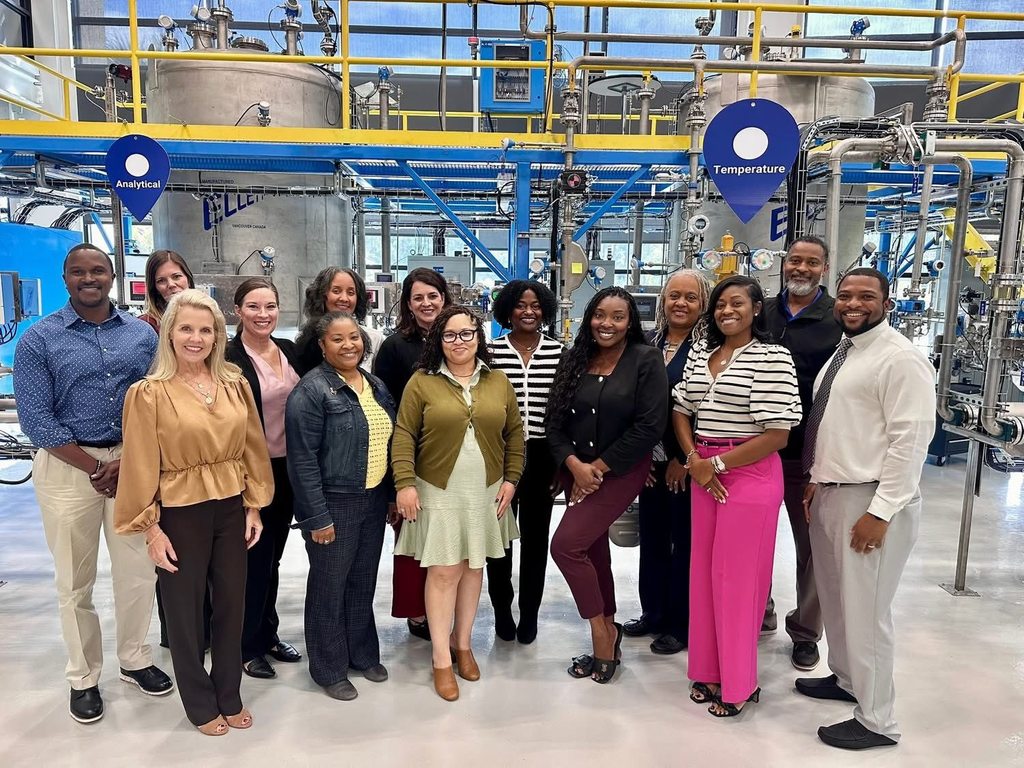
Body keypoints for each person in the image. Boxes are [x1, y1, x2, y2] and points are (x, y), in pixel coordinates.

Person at [13, 243, 173, 724]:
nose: (89, 278)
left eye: (98, 270)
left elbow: (157, 402)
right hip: (66, 468)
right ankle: (83, 676)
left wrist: (128, 460)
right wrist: (93, 465)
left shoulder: (141, 338)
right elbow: (35, 419)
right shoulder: (38, 339)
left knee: (138, 572)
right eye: (79, 271)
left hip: (132, 464)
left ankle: (134, 659)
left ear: (112, 277)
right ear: (65, 279)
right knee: (74, 581)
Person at [115, 289, 274, 736]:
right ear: (169, 333)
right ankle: (200, 703)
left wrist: (254, 506)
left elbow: (252, 448)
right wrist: (150, 529)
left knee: (231, 605)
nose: (196, 338)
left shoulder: (234, 383)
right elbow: (140, 464)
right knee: (184, 614)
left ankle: (230, 693)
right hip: (179, 513)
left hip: (230, 506)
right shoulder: (148, 394)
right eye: (186, 328)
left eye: (206, 330)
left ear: (218, 335)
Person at [798, 268, 935, 750]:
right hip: (835, 490)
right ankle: (848, 679)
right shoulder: (848, 351)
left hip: (872, 497)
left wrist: (881, 511)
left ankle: (878, 721)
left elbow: (910, 442)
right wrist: (816, 479)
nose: (853, 304)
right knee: (837, 598)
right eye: (846, 296)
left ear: (887, 302)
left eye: (866, 297)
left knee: (866, 611)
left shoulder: (901, 359)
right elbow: (837, 425)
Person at [672, 275, 801, 717]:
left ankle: (740, 684)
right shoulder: (702, 356)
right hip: (704, 471)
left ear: (756, 308)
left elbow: (779, 434)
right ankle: (707, 670)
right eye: (721, 305)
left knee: (739, 581)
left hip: (748, 475)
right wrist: (694, 459)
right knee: (704, 575)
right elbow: (681, 410)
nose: (727, 311)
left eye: (737, 304)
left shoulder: (772, 357)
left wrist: (718, 466)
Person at [391, 305, 524, 701]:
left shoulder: (498, 381)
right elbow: (403, 435)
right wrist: (404, 484)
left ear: (479, 338)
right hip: (437, 490)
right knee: (445, 571)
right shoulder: (422, 382)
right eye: (450, 335)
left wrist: (512, 481)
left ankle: (462, 644)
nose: (459, 342)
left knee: (473, 569)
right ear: (438, 340)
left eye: (467, 334)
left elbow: (515, 435)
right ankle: (440, 659)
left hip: (486, 490)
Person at [547, 287, 669, 685]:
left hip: (619, 472)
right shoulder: (575, 358)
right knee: (591, 549)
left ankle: (601, 630)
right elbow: (554, 423)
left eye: (618, 316)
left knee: (565, 545)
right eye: (600, 315)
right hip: (575, 470)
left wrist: (595, 469)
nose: (607, 324)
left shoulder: (645, 359)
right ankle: (610, 625)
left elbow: (649, 425)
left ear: (630, 321)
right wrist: (573, 465)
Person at [286, 312, 396, 701]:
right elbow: (302, 460)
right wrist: (316, 516)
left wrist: (393, 496)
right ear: (322, 345)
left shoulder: (375, 385)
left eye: (354, 337)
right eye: (338, 339)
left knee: (362, 580)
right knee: (329, 586)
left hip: (373, 498)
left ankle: (362, 654)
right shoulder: (312, 391)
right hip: (334, 501)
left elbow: (389, 443)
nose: (349, 345)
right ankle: (329, 668)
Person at [760, 235, 843, 670]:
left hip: (807, 457)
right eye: (795, 260)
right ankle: (760, 611)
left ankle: (807, 632)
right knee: (753, 541)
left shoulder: (838, 320)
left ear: (824, 270)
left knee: (811, 549)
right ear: (784, 264)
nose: (802, 269)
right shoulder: (762, 313)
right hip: (754, 452)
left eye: (812, 263)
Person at [624, 270, 711, 655]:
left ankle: (680, 622)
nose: (681, 303)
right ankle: (653, 612)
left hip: (687, 463)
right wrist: (642, 458)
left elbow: (705, 410)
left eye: (690, 297)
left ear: (703, 304)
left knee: (685, 544)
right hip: (650, 462)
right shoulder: (646, 344)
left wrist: (682, 459)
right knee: (653, 539)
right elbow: (634, 404)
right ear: (662, 301)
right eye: (674, 295)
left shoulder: (710, 349)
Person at [225, 278, 303, 680]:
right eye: (253, 306)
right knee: (252, 561)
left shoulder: (288, 350)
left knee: (272, 559)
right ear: (238, 310)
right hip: (250, 471)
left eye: (270, 306)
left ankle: (268, 634)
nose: (263, 314)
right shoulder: (227, 357)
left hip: (287, 469)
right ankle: (246, 645)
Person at [373, 267, 454, 641]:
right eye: (418, 297)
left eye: (432, 296)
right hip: (412, 460)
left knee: (450, 540)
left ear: (444, 298)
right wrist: (395, 482)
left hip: (455, 460)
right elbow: (386, 412)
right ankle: (418, 612)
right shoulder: (395, 347)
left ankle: (445, 603)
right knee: (413, 540)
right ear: (408, 304)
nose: (426, 303)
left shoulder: (458, 338)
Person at [486, 279, 563, 644]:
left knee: (536, 540)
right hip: (498, 458)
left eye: (535, 305)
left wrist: (564, 463)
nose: (528, 311)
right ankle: (502, 609)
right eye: (520, 304)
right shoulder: (490, 352)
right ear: (508, 310)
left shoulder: (560, 353)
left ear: (545, 309)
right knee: (498, 541)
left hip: (544, 457)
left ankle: (529, 613)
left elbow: (566, 412)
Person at [295, 267, 384, 374]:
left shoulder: (375, 339)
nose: (344, 298)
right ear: (322, 295)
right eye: (336, 291)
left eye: (351, 293)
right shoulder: (308, 342)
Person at [139, 249, 195, 332]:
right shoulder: (146, 326)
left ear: (188, 279)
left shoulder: (208, 316)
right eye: (161, 280)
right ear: (154, 288)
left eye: (176, 277)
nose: (171, 284)